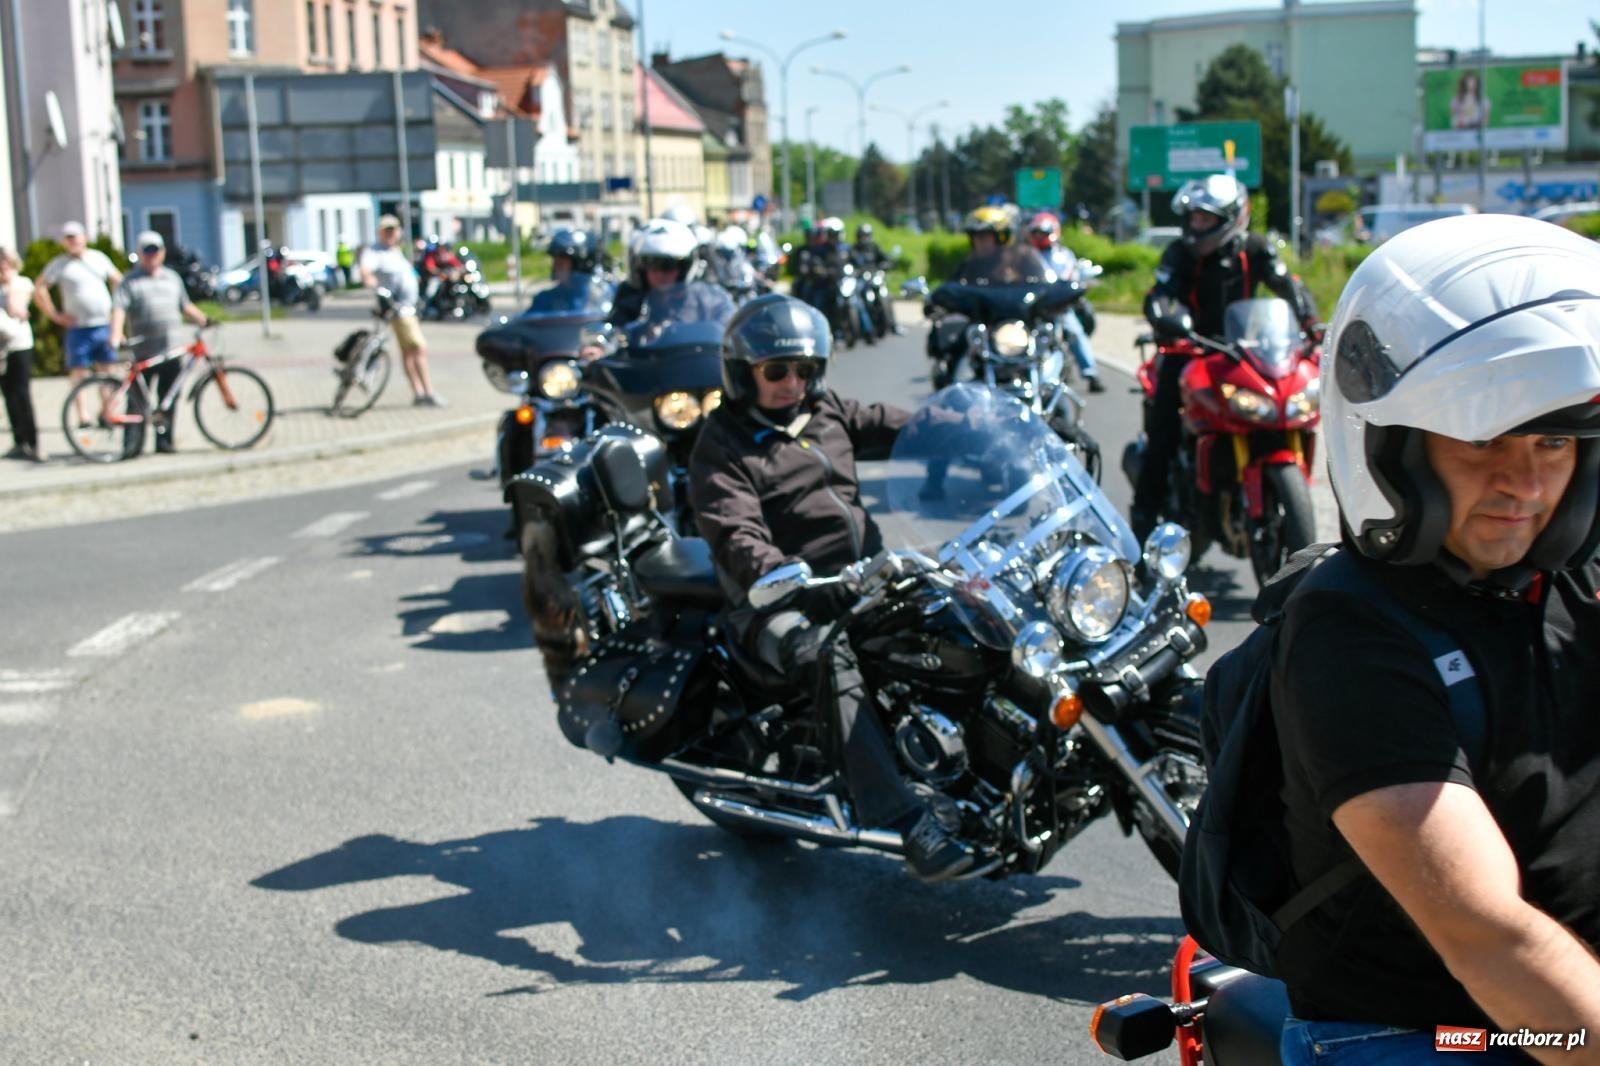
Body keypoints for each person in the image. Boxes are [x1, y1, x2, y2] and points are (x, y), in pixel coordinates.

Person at [1267, 214, 1600, 1064]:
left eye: (1554, 440)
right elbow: (1485, 935)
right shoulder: (1350, 630)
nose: (1525, 483)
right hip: (1444, 1031)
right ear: (1397, 451)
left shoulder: (1569, 581)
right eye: (1484, 438)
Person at [689, 292, 978, 884]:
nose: (792, 383)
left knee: (965, 603)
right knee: (826, 654)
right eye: (776, 371)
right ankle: (904, 820)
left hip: (857, 578)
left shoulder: (826, 413)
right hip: (775, 598)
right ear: (744, 372)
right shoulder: (721, 442)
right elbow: (733, 528)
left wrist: (978, 426)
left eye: (805, 370)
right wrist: (774, 571)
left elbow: (907, 426)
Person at [1130, 173, 1318, 542]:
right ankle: (1143, 523)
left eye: (1205, 219)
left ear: (1232, 217)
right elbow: (1162, 293)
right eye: (1194, 218)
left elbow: (1288, 286)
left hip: (1247, 349)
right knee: (1163, 435)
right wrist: (1169, 318)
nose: (1196, 226)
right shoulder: (1179, 253)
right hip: (1190, 348)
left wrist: (1311, 322)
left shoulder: (1256, 248)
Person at [107, 231, 210, 456]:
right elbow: (118, 309)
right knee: (137, 402)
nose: (152, 255)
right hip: (143, 351)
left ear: (162, 253)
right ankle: (132, 446)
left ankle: (164, 442)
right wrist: (116, 334)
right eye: (147, 251)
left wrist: (203, 319)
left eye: (155, 250)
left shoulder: (172, 278)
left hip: (171, 350)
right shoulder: (129, 281)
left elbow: (185, 305)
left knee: (168, 397)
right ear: (140, 254)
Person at [35, 221, 123, 429]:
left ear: (84, 237)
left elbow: (118, 281)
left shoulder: (98, 258)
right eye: (68, 237)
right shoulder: (59, 263)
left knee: (106, 371)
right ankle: (83, 416)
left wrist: (117, 311)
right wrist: (55, 315)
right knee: (78, 373)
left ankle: (107, 411)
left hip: (103, 324)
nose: (72, 241)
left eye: (75, 236)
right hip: (78, 328)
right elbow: (39, 289)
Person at [360, 215, 442, 407]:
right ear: (380, 232)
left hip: (408, 307)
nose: (391, 233)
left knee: (409, 352)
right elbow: (366, 271)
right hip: (398, 309)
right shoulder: (375, 252)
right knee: (418, 347)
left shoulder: (395, 250)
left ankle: (420, 392)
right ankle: (426, 391)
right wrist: (371, 282)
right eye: (387, 230)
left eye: (394, 230)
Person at [1027, 211, 1105, 393]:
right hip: (1034, 308)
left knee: (1075, 333)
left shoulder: (1064, 255)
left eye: (1044, 233)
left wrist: (1076, 288)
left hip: (1060, 307)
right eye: (1037, 233)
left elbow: (1073, 276)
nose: (1041, 237)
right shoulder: (1026, 256)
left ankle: (1090, 373)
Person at [0, 247, 42, 461]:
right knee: (8, 395)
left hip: (20, 345)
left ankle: (34, 443)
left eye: (5, 263)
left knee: (22, 393)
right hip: (1, 348)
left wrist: (8, 287)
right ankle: (19, 442)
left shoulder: (21, 283)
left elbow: (16, 308)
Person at [529, 229, 606, 314]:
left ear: (578, 267)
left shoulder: (598, 298)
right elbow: (525, 322)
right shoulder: (544, 299)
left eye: (561, 263)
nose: (556, 268)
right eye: (555, 262)